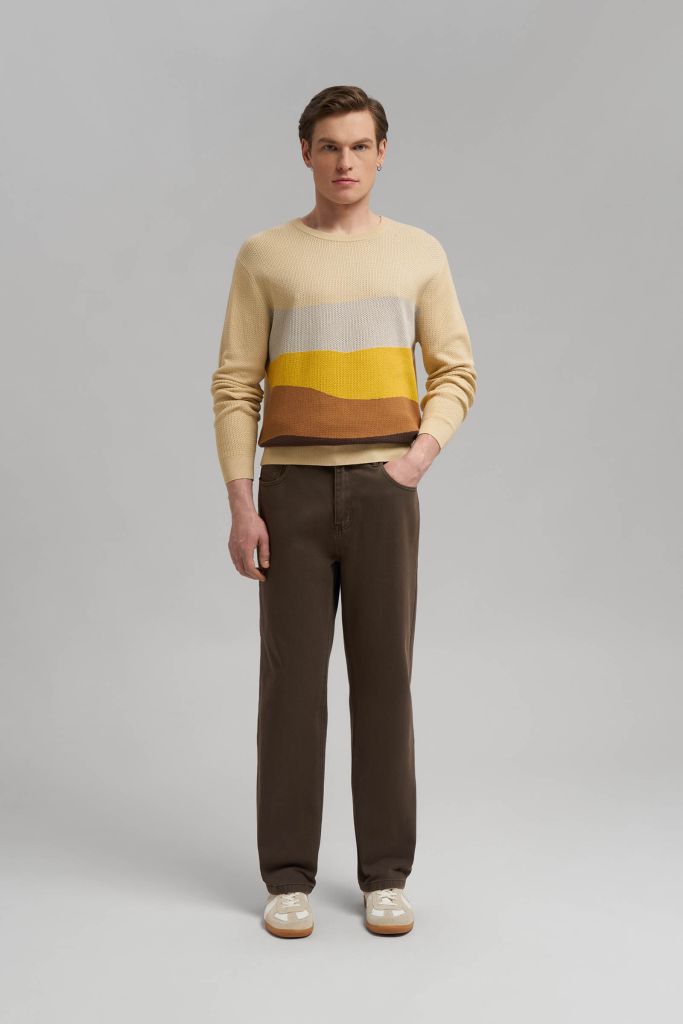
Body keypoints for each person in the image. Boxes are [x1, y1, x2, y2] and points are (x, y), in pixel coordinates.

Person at [210, 84, 477, 938]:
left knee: (383, 685)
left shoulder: (417, 253)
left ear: (382, 152)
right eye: (329, 146)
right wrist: (242, 503)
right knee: (289, 690)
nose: (345, 162)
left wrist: (415, 460)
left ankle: (384, 876)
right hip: (288, 493)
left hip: (381, 493)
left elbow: (455, 369)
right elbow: (235, 383)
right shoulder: (265, 255)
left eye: (360, 146)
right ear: (305, 153)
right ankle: (287, 877)